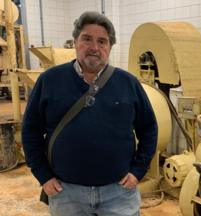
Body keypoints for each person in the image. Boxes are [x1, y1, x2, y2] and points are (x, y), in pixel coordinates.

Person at [22, 11, 158, 216]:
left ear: (110, 47)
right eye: (87, 39)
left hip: (119, 193)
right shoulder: (50, 81)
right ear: (75, 42)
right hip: (66, 193)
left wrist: (137, 172)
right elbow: (30, 131)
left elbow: (149, 129)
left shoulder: (128, 83)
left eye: (102, 41)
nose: (94, 48)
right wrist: (43, 176)